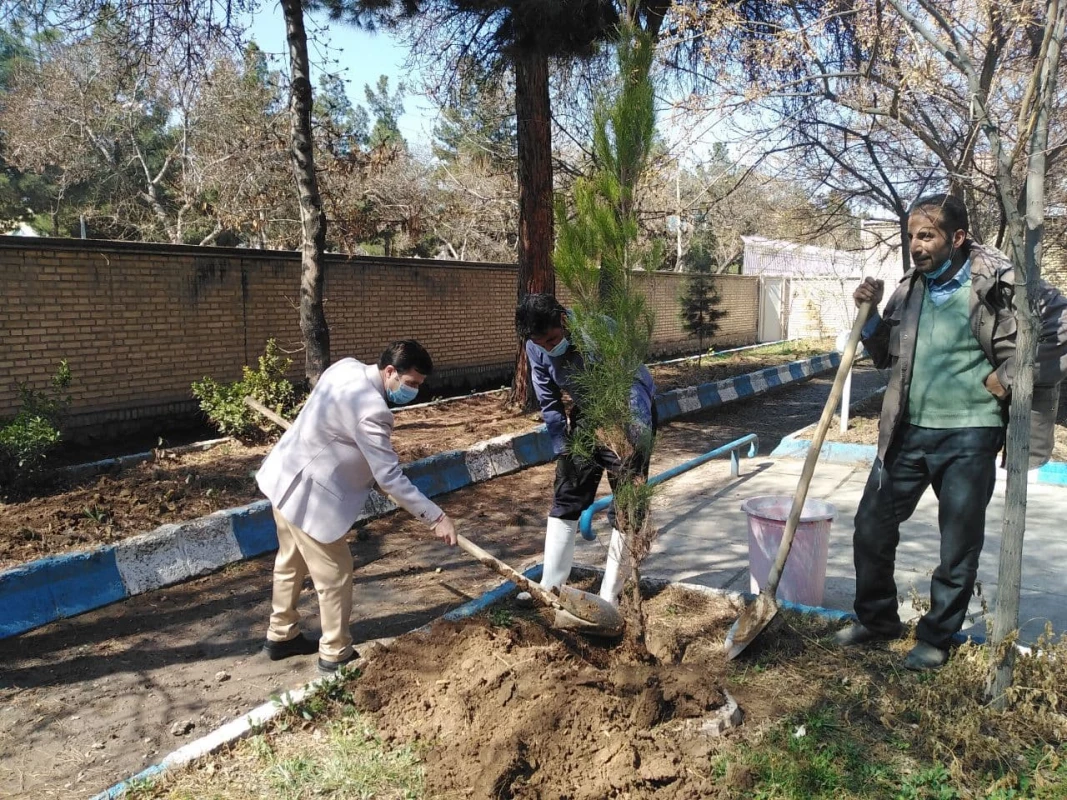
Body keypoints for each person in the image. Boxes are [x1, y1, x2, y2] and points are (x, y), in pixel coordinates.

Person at [835, 194, 1067, 670]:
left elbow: (1058, 330)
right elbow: (884, 355)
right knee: (871, 526)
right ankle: (877, 620)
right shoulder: (910, 288)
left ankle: (937, 636)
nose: (916, 245)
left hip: (971, 432)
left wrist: (1007, 377)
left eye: (927, 235)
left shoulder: (1000, 283)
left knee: (957, 543)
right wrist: (871, 315)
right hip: (908, 430)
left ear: (956, 237)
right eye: (912, 236)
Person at [255, 340, 458, 673]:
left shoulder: (346, 366)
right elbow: (389, 478)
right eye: (411, 384)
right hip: (312, 499)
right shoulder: (373, 412)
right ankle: (335, 653)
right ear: (390, 371)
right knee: (335, 574)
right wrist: (436, 518)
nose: (414, 392)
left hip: (285, 477)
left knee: (289, 561)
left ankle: (281, 634)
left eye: (419, 385)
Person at [515, 293, 657, 607]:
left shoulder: (598, 329)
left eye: (552, 339)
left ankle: (610, 596)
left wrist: (632, 438)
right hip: (587, 414)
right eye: (542, 344)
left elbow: (630, 383)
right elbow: (549, 402)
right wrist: (562, 448)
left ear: (563, 320)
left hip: (628, 411)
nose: (549, 348)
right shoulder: (535, 347)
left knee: (627, 506)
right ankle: (550, 587)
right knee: (566, 493)